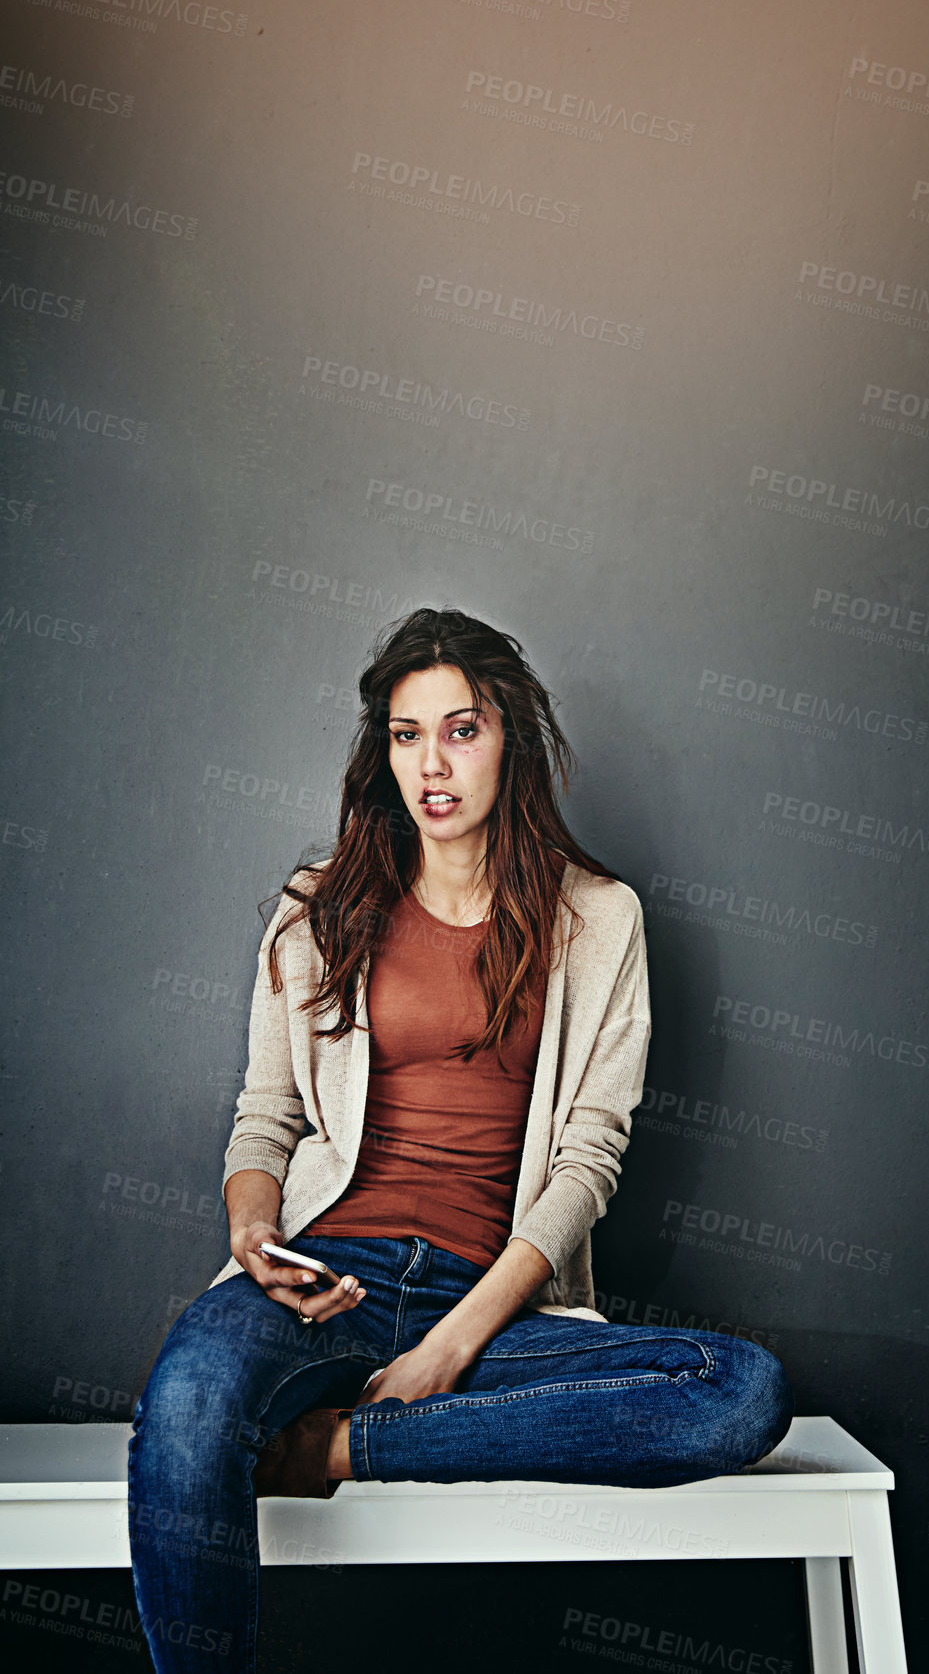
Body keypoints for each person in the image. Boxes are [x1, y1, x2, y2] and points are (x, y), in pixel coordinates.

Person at [127, 606, 793, 1671]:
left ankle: (341, 1446)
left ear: (509, 741)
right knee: (191, 1400)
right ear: (379, 751)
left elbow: (588, 1158)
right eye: (405, 734)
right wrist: (256, 1238)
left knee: (735, 1391)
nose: (431, 764)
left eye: (460, 730)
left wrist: (451, 1345)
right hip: (324, 1279)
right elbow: (265, 1119)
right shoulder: (317, 910)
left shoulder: (598, 920)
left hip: (493, 1305)